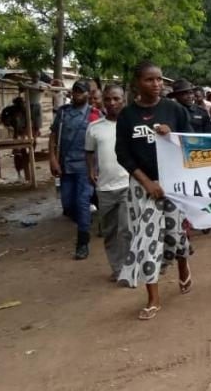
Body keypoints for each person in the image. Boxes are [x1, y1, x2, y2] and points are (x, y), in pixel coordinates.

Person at [115, 61, 194, 319]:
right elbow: (122, 154)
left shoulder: (174, 110)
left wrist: (172, 135)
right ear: (138, 82)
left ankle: (183, 266)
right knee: (147, 240)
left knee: (174, 234)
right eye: (150, 80)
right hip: (143, 187)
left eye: (160, 79)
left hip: (172, 184)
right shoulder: (127, 116)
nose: (157, 84)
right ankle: (153, 298)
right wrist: (146, 182)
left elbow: (191, 143)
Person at [49, 80, 103, 260]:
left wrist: (98, 167)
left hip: (85, 166)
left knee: (81, 203)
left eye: (80, 92)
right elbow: (53, 135)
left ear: (88, 94)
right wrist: (53, 159)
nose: (76, 95)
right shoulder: (63, 113)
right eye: (75, 92)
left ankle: (82, 243)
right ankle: (95, 210)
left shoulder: (95, 114)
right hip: (65, 165)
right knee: (68, 204)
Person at [85, 85, 131, 282]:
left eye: (116, 99)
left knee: (127, 228)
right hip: (104, 188)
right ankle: (117, 268)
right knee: (110, 231)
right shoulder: (94, 128)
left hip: (128, 185)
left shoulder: (131, 124)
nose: (112, 103)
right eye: (108, 100)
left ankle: (131, 268)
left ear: (123, 100)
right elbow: (88, 152)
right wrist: (91, 170)